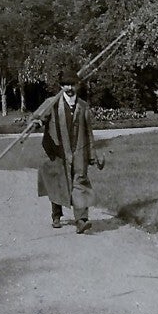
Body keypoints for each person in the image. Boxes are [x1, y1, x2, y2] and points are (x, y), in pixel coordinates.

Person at [28, 63, 103, 233]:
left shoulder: (83, 106)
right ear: (61, 87)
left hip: (78, 150)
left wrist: (92, 155)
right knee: (58, 182)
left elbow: (89, 132)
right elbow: (38, 117)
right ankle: (56, 215)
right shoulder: (52, 103)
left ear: (77, 85)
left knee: (80, 182)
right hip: (57, 150)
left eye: (72, 84)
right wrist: (37, 122)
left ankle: (81, 220)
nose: (69, 88)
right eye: (65, 85)